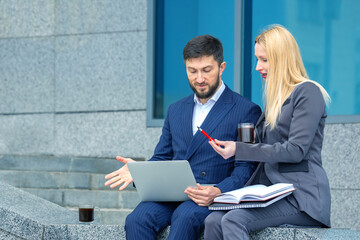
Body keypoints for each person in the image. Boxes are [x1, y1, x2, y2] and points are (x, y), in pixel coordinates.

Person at [104, 34, 262, 240]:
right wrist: (138, 172)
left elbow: (246, 169)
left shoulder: (246, 110)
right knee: (137, 219)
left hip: (212, 196)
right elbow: (161, 158)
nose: (199, 79)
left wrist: (218, 190)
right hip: (172, 195)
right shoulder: (175, 110)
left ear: (221, 67)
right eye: (192, 71)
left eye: (207, 70)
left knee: (185, 216)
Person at [204, 25, 332, 240]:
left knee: (234, 219)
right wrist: (239, 142)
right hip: (272, 195)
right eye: (257, 59)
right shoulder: (274, 103)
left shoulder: (308, 92)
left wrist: (240, 148)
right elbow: (256, 148)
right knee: (213, 220)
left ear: (281, 58)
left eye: (264, 59)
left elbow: (296, 150)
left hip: (301, 198)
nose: (257, 67)